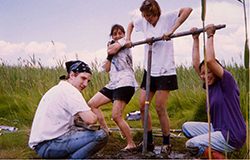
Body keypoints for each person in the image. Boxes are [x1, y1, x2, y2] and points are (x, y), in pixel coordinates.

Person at [125, 0, 192, 154]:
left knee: (160, 108)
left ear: (156, 12)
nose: (147, 18)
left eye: (149, 15)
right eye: (145, 15)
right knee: (142, 106)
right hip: (150, 69)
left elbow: (188, 9)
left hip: (165, 70)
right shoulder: (144, 22)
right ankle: (148, 142)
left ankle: (166, 143)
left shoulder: (166, 18)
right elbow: (131, 24)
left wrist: (172, 31)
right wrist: (128, 38)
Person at [182, 24, 246, 159]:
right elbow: (195, 64)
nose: (205, 76)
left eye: (209, 72)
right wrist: (195, 39)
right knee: (186, 127)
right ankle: (215, 148)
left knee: (192, 145)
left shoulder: (227, 82)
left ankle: (223, 158)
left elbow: (210, 60)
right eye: (203, 74)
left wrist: (210, 35)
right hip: (218, 129)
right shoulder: (208, 85)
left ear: (216, 71)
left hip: (232, 134)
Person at [28, 60, 109, 159]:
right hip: (49, 145)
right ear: (71, 75)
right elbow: (90, 119)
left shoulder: (58, 89)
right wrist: (95, 115)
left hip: (42, 145)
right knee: (102, 134)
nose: (85, 84)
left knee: (79, 129)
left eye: (88, 81)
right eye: (83, 78)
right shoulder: (71, 91)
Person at [88, 24, 139, 151]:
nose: (117, 36)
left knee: (116, 116)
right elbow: (107, 69)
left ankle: (131, 144)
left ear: (123, 34)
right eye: (114, 34)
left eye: (119, 33)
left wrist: (111, 50)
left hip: (125, 82)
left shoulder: (125, 41)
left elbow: (111, 49)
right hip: (114, 83)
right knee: (92, 103)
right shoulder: (112, 46)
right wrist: (110, 56)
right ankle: (106, 130)